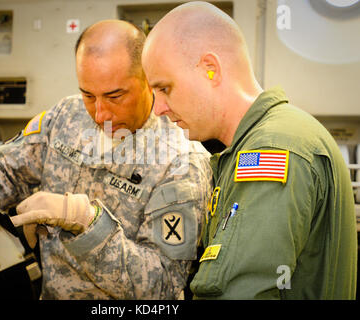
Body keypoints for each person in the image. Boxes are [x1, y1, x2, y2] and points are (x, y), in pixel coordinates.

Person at [0, 20, 212, 299]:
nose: (100, 114)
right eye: (88, 94)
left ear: (149, 79)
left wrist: (88, 224)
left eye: (115, 96)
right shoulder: (67, 116)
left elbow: (162, 286)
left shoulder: (180, 161)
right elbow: (8, 169)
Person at [141, 1, 357, 299]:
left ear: (210, 70)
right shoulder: (251, 146)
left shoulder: (271, 150)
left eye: (165, 88)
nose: (159, 108)